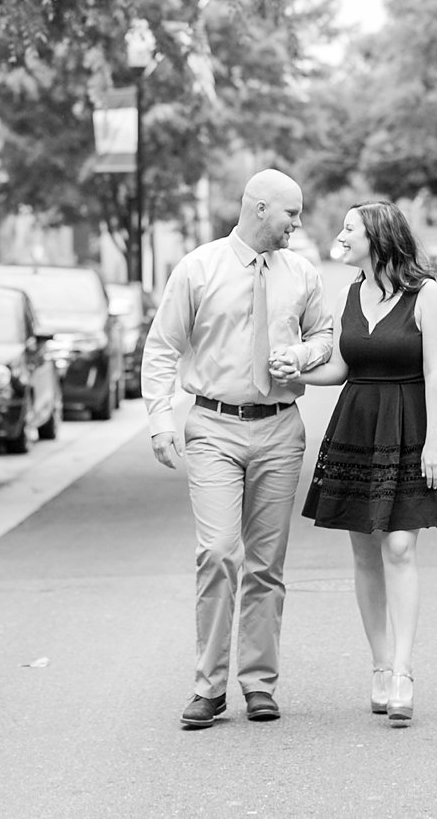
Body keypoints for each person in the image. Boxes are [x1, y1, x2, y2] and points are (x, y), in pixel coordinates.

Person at [141, 169, 335, 730]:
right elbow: (161, 347)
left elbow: (325, 336)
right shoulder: (198, 268)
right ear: (258, 210)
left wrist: (301, 355)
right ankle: (208, 686)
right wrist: (159, 421)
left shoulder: (301, 273)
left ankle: (259, 684)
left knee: (266, 565)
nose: (297, 224)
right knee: (220, 552)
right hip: (213, 427)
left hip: (280, 428)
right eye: (290, 214)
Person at [296, 200, 437, 727]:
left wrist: (434, 440)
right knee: (365, 550)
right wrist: (293, 376)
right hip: (357, 426)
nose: (341, 236)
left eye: (350, 229)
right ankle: (379, 665)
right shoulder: (350, 293)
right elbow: (345, 366)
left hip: (411, 427)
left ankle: (404, 671)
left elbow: (435, 373)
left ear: (378, 238)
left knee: (399, 545)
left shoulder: (426, 294)